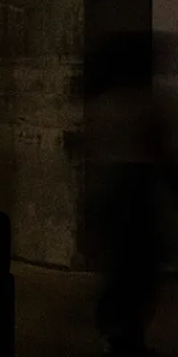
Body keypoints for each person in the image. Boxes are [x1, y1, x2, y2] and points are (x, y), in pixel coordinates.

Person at [86, 30, 178, 357]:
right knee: (141, 266)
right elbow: (161, 153)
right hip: (137, 191)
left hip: (111, 189)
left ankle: (116, 335)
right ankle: (130, 337)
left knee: (120, 265)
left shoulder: (104, 102)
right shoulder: (148, 102)